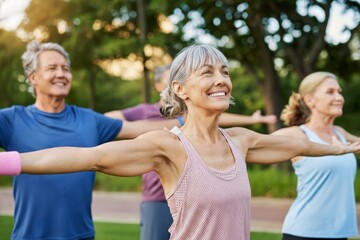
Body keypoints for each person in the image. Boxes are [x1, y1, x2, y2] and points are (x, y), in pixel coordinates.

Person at [1, 44, 359, 240]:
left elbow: (298, 145)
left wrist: (339, 148)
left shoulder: (241, 141)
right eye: (207, 72)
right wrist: (8, 162)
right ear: (180, 89)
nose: (221, 79)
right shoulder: (167, 146)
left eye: (224, 72)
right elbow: (88, 157)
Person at [0, 41, 182, 240]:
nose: (61, 74)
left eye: (66, 69)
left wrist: (189, 121)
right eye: (52, 68)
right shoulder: (12, 120)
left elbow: (136, 128)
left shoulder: (89, 120)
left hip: (82, 236)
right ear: (33, 77)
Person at [104, 63, 277, 240]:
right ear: (163, 86)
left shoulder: (191, 112)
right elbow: (107, 120)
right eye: (169, 78)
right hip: (156, 198)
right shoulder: (145, 111)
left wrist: (252, 119)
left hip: (194, 198)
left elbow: (222, 115)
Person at [271, 72, 359, 240]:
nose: (339, 97)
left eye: (339, 91)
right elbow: (253, 144)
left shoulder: (340, 134)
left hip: (339, 233)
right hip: (304, 232)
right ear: (310, 100)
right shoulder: (298, 134)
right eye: (330, 92)